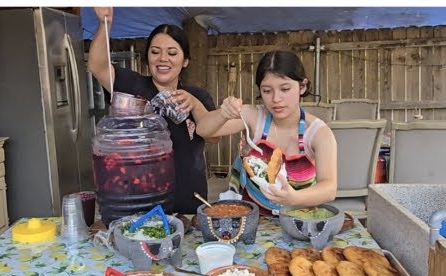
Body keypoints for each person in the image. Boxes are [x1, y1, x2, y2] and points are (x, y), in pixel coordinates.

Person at [89, 9, 217, 214]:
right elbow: (97, 66)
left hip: (188, 200)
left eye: (172, 53)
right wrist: (105, 23)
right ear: (147, 57)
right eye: (155, 52)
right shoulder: (131, 85)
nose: (163, 59)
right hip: (138, 201)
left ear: (185, 61)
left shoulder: (196, 95)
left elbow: (213, 137)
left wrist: (194, 104)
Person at [194, 50, 339, 214]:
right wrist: (223, 113)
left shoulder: (318, 133)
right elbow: (202, 130)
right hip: (252, 216)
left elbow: (329, 188)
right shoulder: (255, 116)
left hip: (298, 219)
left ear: (302, 86)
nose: (276, 99)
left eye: (285, 89)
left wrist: (293, 198)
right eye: (267, 91)